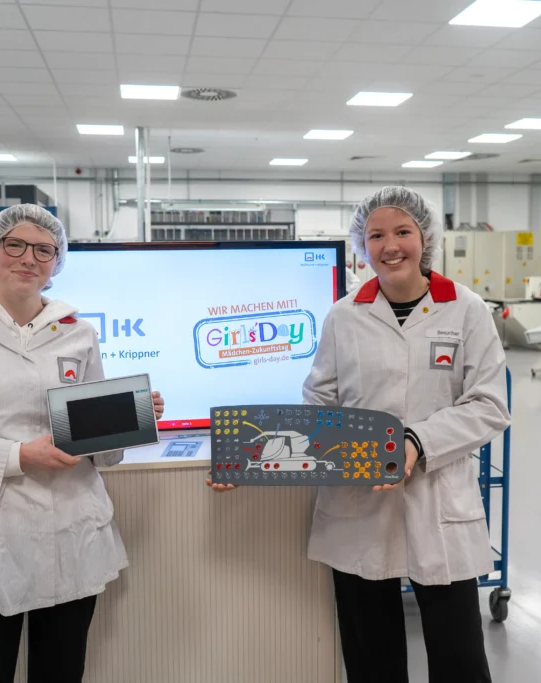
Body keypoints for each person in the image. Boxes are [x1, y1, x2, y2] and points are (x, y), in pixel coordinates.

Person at [208, 187, 510, 683]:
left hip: (439, 499)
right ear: (361, 245)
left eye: (402, 232)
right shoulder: (344, 315)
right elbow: (320, 405)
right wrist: (251, 460)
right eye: (376, 235)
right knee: (371, 657)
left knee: (460, 659)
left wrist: (415, 444)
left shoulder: (466, 309)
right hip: (359, 503)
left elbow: (488, 404)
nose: (390, 246)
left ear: (424, 237)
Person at [0, 204, 164, 683]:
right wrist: (20, 456)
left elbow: (101, 454)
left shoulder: (78, 333)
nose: (28, 258)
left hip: (70, 530)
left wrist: (131, 418)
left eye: (44, 249)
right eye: (14, 245)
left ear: (57, 261)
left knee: (61, 672)